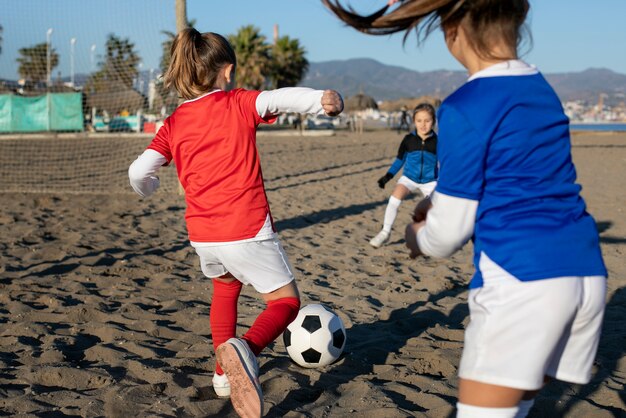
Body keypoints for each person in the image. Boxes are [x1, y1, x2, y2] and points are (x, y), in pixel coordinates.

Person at [323, 1, 607, 418]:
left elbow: (447, 235)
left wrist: (416, 236)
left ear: (452, 26)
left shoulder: (464, 105)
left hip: (521, 279)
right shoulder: (540, 87)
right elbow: (518, 177)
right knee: (517, 407)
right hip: (584, 274)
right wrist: (439, 199)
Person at [128, 28, 343, 418]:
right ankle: (246, 349)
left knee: (225, 291)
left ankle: (222, 375)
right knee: (287, 302)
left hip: (203, 234)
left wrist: (150, 186)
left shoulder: (174, 121)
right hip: (246, 226)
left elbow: (139, 170)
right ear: (226, 71)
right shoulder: (238, 103)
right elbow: (279, 98)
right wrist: (321, 101)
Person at [369, 103, 437, 248]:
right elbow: (399, 160)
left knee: (435, 209)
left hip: (430, 181)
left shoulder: (439, 142)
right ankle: (385, 232)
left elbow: (445, 163)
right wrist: (388, 176)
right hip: (409, 178)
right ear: (414, 121)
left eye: (427, 121)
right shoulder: (408, 139)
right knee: (394, 198)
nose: (423, 125)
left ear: (434, 121)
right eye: (419, 121)